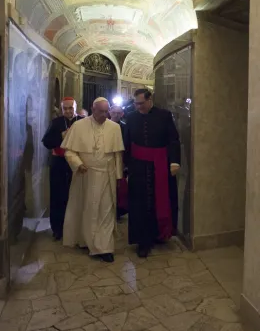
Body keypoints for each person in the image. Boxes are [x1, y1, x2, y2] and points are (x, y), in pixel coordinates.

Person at [61, 97, 124, 262]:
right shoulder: (78, 126)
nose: (105, 115)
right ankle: (85, 241)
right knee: (87, 209)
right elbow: (69, 152)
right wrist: (78, 164)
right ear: (93, 109)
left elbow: (118, 154)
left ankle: (105, 247)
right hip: (86, 176)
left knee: (106, 211)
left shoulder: (115, 127)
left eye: (107, 111)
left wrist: (118, 177)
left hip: (107, 176)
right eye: (101, 111)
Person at [124, 88, 181, 258]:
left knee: (159, 200)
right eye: (136, 103)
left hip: (161, 166)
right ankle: (142, 241)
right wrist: (126, 165)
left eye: (141, 103)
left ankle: (159, 234)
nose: (138, 106)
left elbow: (173, 140)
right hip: (138, 168)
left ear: (150, 100)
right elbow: (127, 142)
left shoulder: (164, 115)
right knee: (140, 204)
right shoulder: (131, 117)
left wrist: (174, 161)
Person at [41, 97, 82, 241]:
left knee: (76, 195)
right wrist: (61, 137)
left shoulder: (83, 121)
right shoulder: (56, 123)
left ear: (76, 107)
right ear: (61, 109)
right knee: (58, 195)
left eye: (71, 108)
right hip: (59, 163)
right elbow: (46, 142)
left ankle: (77, 227)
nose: (68, 111)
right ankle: (58, 228)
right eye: (65, 108)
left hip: (78, 164)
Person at [110, 104, 128, 220]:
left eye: (119, 113)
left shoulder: (125, 127)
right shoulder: (104, 125)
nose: (116, 115)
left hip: (120, 160)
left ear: (122, 114)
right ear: (110, 112)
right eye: (114, 112)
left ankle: (118, 211)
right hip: (107, 160)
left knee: (119, 187)